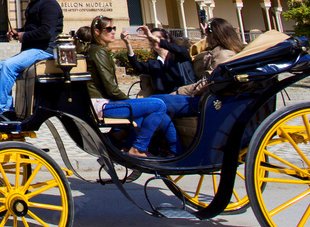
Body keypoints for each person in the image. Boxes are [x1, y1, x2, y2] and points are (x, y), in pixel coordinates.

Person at [85, 16, 179, 157]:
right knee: (159, 105)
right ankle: (138, 148)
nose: (113, 32)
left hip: (102, 102)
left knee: (150, 110)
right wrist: (129, 101)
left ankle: (126, 146)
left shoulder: (98, 50)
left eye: (114, 28)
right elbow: (111, 88)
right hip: (101, 105)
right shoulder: (99, 51)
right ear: (97, 32)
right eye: (108, 29)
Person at [153, 17, 245, 120]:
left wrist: (179, 92)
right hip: (205, 97)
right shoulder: (216, 53)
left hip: (211, 100)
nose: (206, 39)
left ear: (213, 35)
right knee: (154, 109)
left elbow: (208, 83)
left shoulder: (224, 55)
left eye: (207, 35)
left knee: (153, 102)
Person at [124, 26, 196, 95]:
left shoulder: (179, 56)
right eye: (151, 39)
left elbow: (180, 50)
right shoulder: (154, 63)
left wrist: (154, 38)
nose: (154, 40)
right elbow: (137, 66)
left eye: (158, 37)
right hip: (164, 98)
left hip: (185, 95)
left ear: (167, 40)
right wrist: (127, 44)